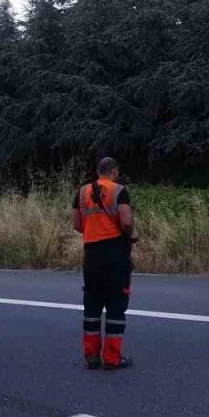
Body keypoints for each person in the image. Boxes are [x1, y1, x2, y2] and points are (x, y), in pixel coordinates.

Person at [72, 157, 135, 371]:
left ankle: (91, 356)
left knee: (92, 303)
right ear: (114, 171)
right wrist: (129, 234)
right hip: (115, 253)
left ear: (98, 171)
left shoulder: (82, 192)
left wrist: (94, 229)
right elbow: (126, 221)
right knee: (116, 303)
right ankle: (111, 358)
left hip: (91, 254)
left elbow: (77, 224)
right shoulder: (119, 190)